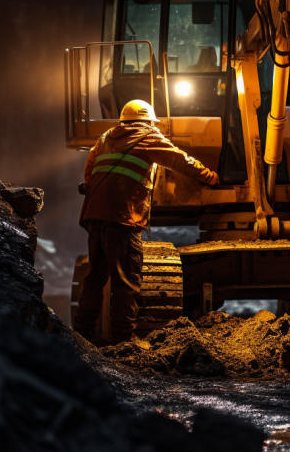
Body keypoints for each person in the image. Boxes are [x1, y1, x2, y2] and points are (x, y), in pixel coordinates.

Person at [74, 99, 218, 344]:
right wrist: (210, 177)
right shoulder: (148, 136)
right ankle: (124, 340)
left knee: (95, 278)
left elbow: (89, 172)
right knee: (126, 280)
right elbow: (179, 160)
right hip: (122, 217)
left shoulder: (106, 137)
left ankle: (81, 336)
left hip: (94, 216)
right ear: (149, 122)